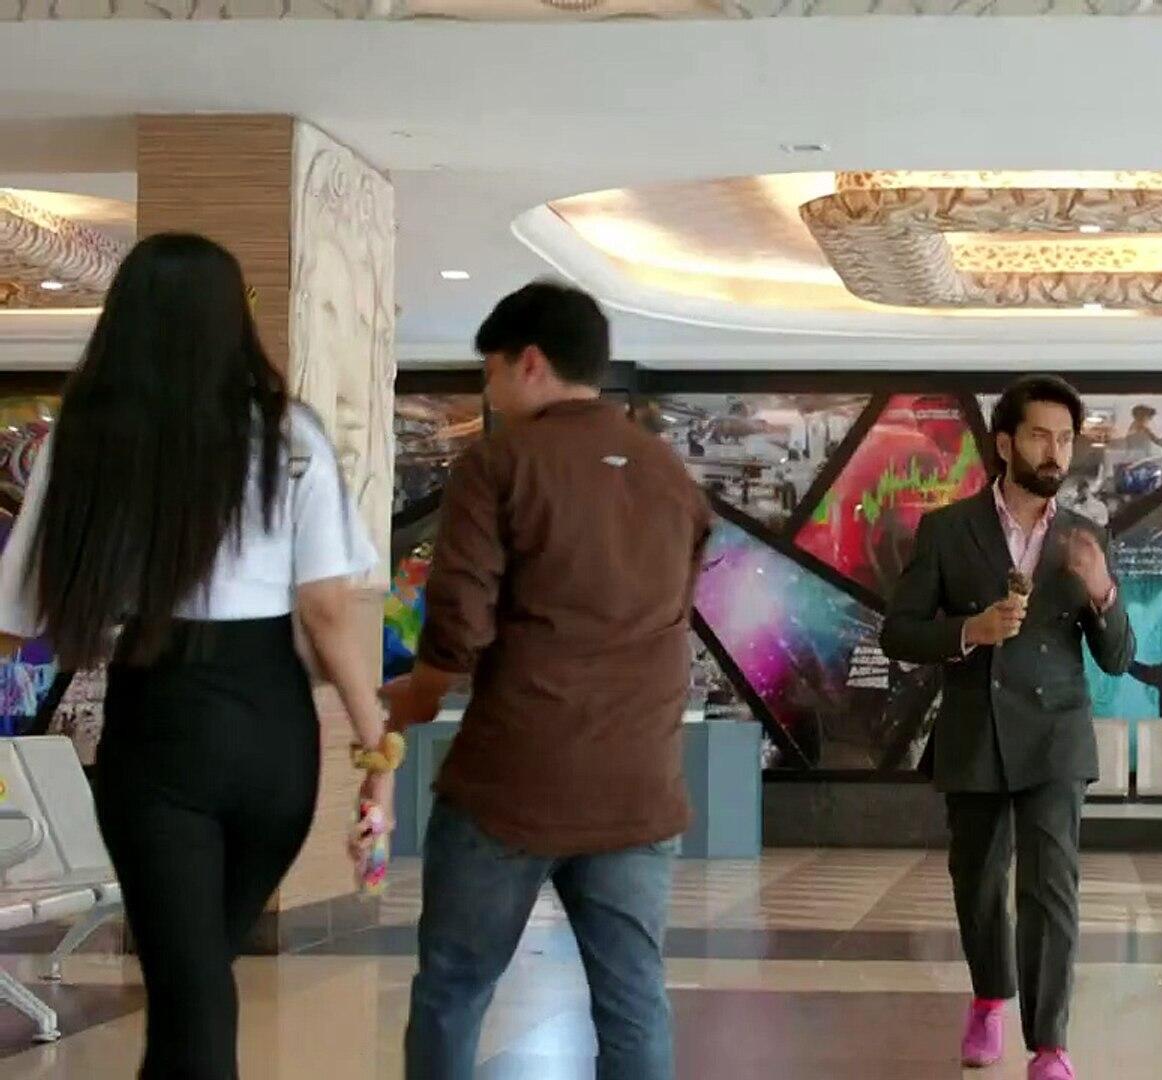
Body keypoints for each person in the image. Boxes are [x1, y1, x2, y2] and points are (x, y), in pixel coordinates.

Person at [0, 233, 388, 1078]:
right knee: (199, 976)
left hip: (159, 727)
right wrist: (376, 752)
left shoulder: (85, 440)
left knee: (190, 987)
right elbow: (327, 611)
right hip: (274, 738)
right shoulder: (289, 434)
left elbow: (17, 615)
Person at [377, 282, 709, 1080]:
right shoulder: (672, 477)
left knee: (455, 988)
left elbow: (459, 619)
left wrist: (414, 698)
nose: (490, 392)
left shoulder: (499, 462)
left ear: (529, 363)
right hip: (637, 785)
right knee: (634, 1001)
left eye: (490, 372)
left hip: (513, 782)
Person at [882, 375, 1135, 1080]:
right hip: (975, 730)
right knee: (979, 880)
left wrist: (1103, 592)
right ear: (1004, 443)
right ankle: (990, 997)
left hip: (1056, 736)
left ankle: (1050, 1046)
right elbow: (898, 632)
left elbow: (1118, 658)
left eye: (1066, 439)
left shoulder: (1086, 536)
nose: (1056, 453)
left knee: (1051, 887)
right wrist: (970, 630)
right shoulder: (947, 530)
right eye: (1040, 436)